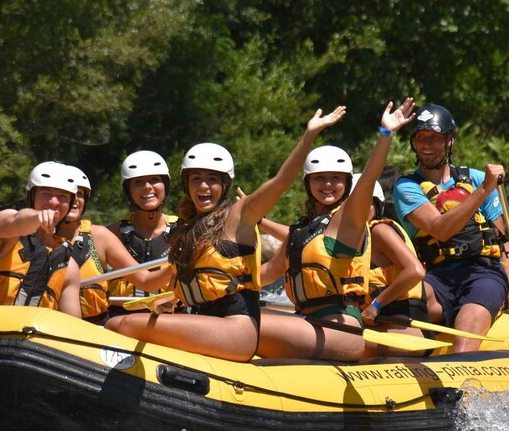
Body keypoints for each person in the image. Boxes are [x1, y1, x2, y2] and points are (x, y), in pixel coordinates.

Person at [105, 106, 347, 362]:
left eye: (213, 180)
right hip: (202, 321)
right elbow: (159, 281)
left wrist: (308, 136)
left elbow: (280, 182)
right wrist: (163, 300)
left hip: (235, 329)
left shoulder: (239, 215)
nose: (204, 186)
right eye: (196, 179)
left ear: (225, 185)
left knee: (121, 325)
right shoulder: (186, 230)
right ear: (187, 185)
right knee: (124, 322)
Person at [256, 98, 415, 361]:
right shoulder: (300, 230)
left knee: (247, 323)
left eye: (336, 179)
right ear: (308, 183)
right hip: (306, 325)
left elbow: (367, 180)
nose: (327, 184)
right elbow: (268, 272)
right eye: (319, 178)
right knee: (234, 313)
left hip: (339, 328)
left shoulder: (347, 221)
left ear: (346, 183)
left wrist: (386, 134)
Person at [392, 103, 509, 352]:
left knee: (466, 327)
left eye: (434, 138)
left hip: (484, 274)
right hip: (437, 277)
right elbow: (439, 229)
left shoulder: (478, 179)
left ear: (449, 140)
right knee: (401, 308)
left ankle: (458, 382)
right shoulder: (407, 187)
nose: (427, 145)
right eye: (420, 138)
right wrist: (483, 191)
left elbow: (502, 241)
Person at [0, 161, 82, 317]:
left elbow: (72, 323)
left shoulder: (69, 266)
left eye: (62, 196)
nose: (54, 202)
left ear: (70, 203)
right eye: (46, 193)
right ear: (30, 196)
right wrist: (38, 217)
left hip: (28, 334)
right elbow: (17, 220)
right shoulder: (4, 229)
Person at [55, 164, 173, 322]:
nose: (75, 200)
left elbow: (145, 280)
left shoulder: (100, 236)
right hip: (44, 326)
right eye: (65, 194)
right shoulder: (29, 236)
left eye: (80, 194)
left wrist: (178, 264)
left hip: (94, 327)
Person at [353, 174, 429, 356]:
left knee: (337, 343)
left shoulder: (379, 231)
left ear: (377, 206)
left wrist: (375, 306)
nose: (360, 209)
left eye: (367, 203)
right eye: (354, 204)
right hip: (382, 327)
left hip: (408, 330)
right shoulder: (352, 244)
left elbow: (415, 271)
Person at [105, 151, 178, 305]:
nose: (147, 187)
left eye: (154, 180)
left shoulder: (184, 230)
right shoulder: (111, 234)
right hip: (119, 319)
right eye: (138, 182)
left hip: (170, 319)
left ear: (165, 185)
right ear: (128, 190)